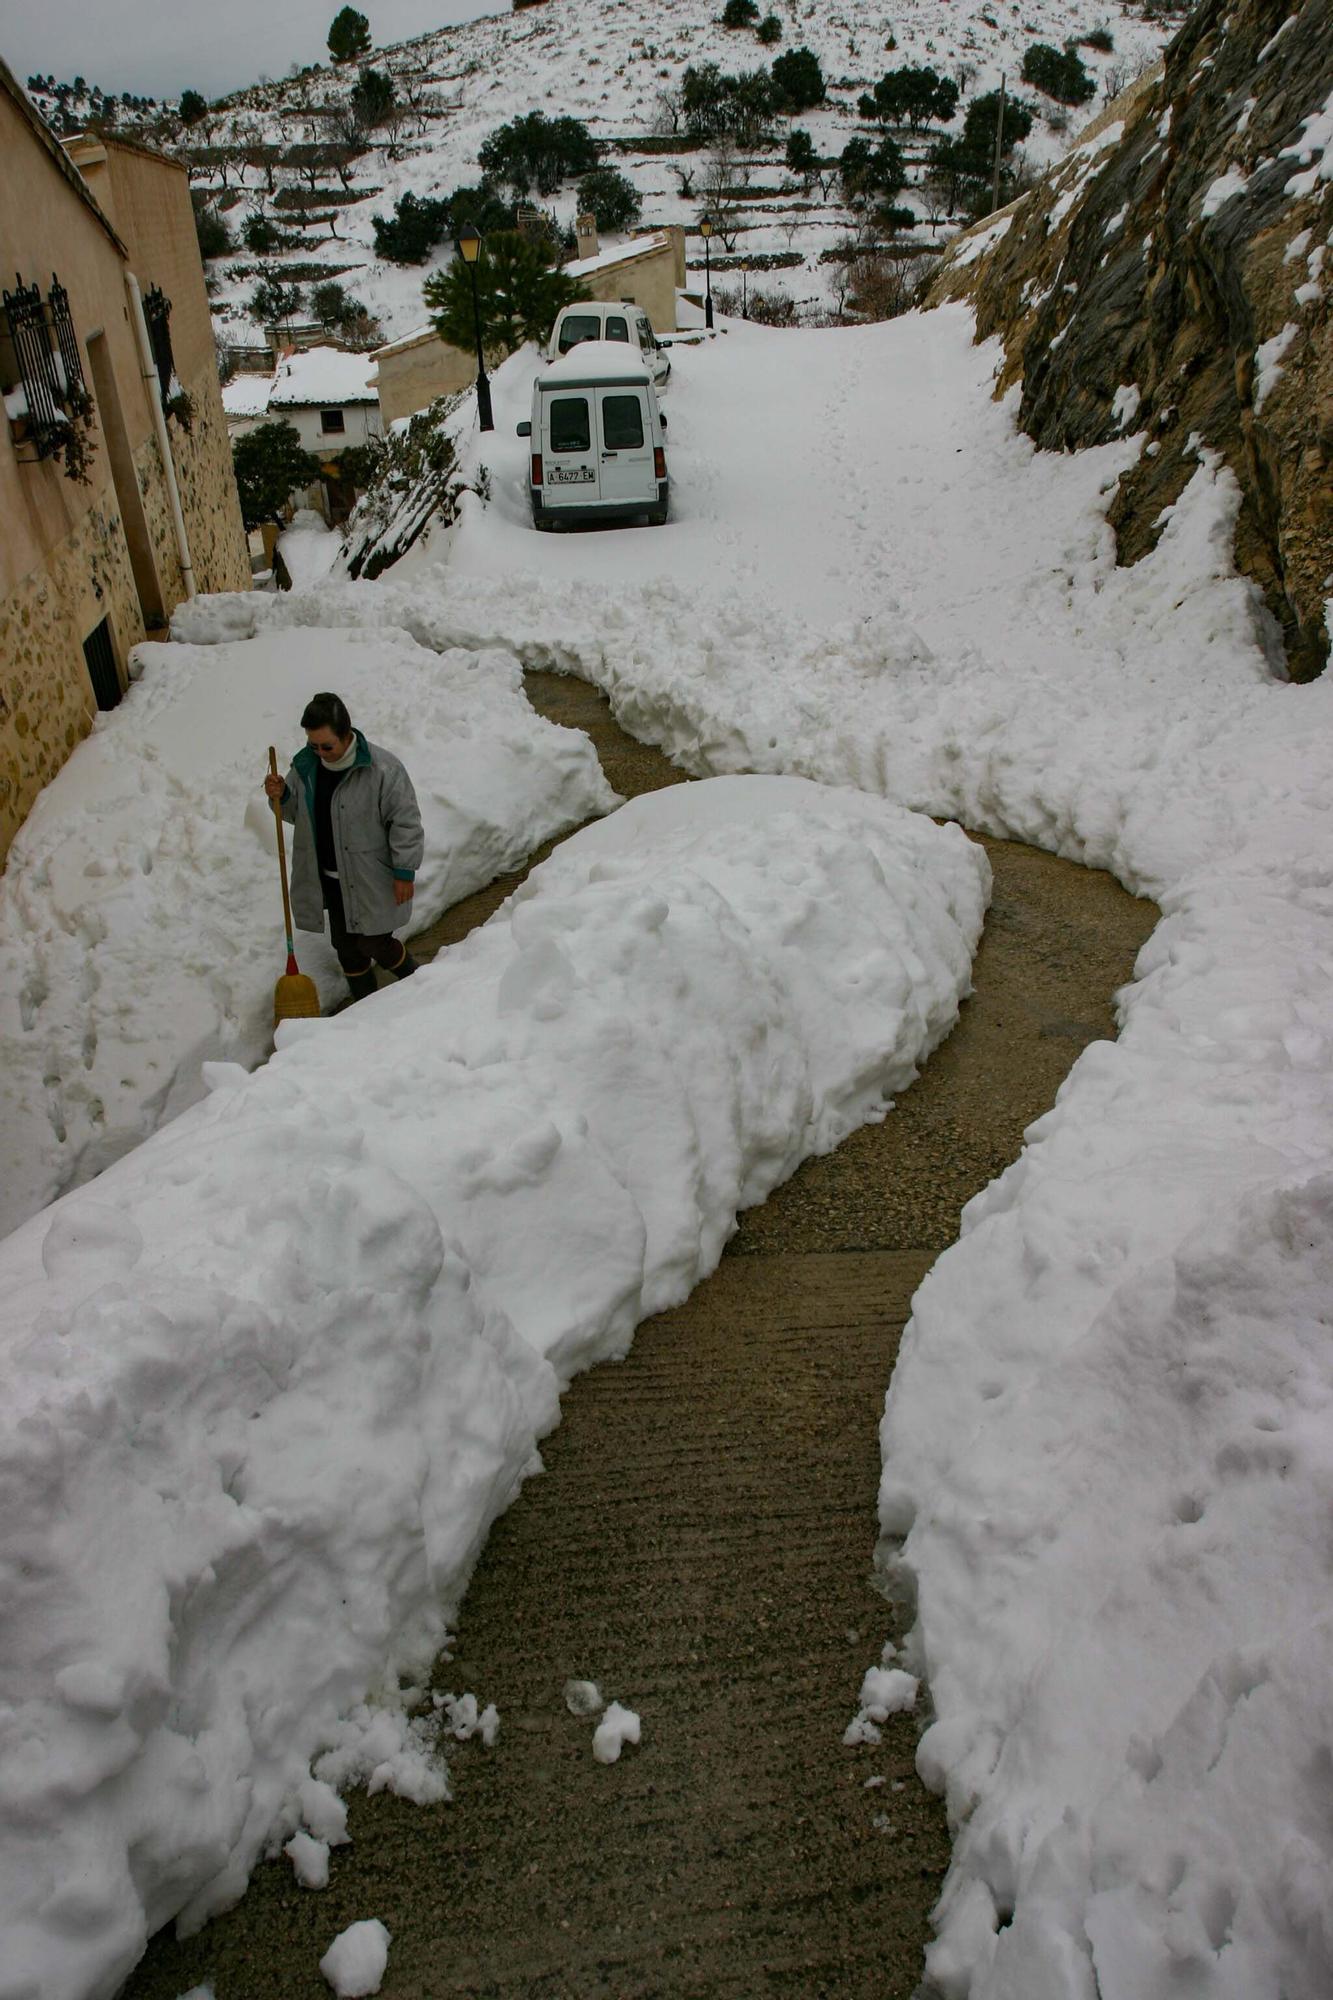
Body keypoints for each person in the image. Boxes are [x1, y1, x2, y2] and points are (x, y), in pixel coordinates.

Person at [264, 692, 424, 1004]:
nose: (321, 753)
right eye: (314, 745)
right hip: (330, 879)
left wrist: (404, 870)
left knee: (374, 943)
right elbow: (298, 814)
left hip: (370, 876)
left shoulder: (382, 769)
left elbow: (405, 821)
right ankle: (365, 1010)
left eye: (327, 746)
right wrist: (282, 797)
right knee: (346, 949)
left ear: (346, 734)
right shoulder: (306, 768)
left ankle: (422, 981)